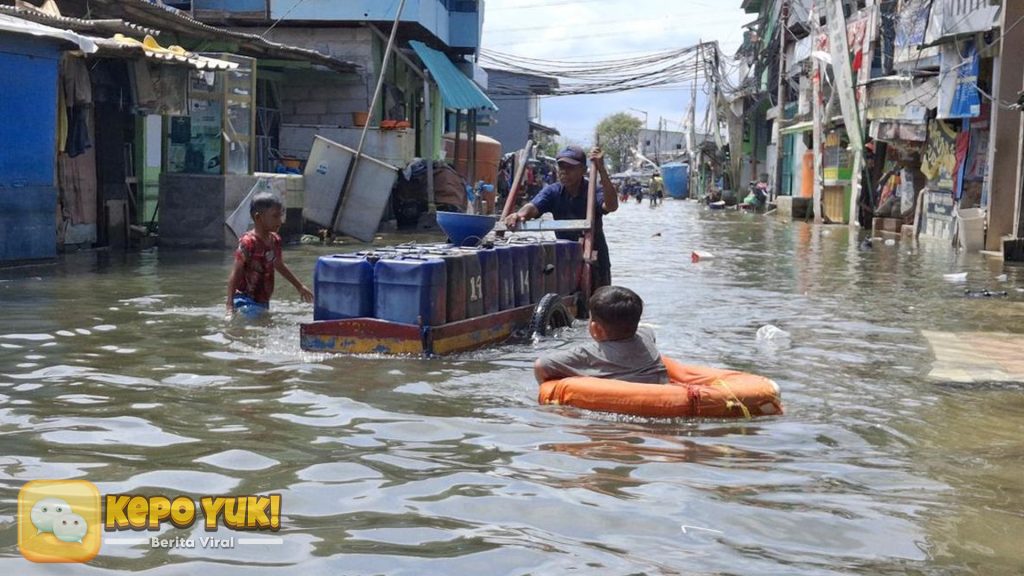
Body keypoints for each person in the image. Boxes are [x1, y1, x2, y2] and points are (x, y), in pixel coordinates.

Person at [503, 145, 619, 288]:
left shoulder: (593, 190)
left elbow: (612, 206)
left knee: (600, 304)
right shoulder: (553, 191)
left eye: (570, 168)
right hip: (565, 257)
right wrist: (518, 215)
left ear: (583, 170)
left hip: (595, 258)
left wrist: (602, 170)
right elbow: (532, 207)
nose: (564, 172)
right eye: (561, 167)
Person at [533, 286, 668, 384]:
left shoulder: (587, 353)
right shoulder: (647, 336)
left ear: (596, 328)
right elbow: (647, 331)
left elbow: (540, 366)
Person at [226, 192, 313, 318]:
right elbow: (236, 273)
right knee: (260, 329)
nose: (280, 221)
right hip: (244, 300)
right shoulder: (248, 242)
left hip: (262, 301)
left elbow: (278, 264)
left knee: (263, 326)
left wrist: (299, 286)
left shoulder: (275, 240)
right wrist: (229, 304)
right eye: (275, 216)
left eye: (280, 216)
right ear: (258, 218)